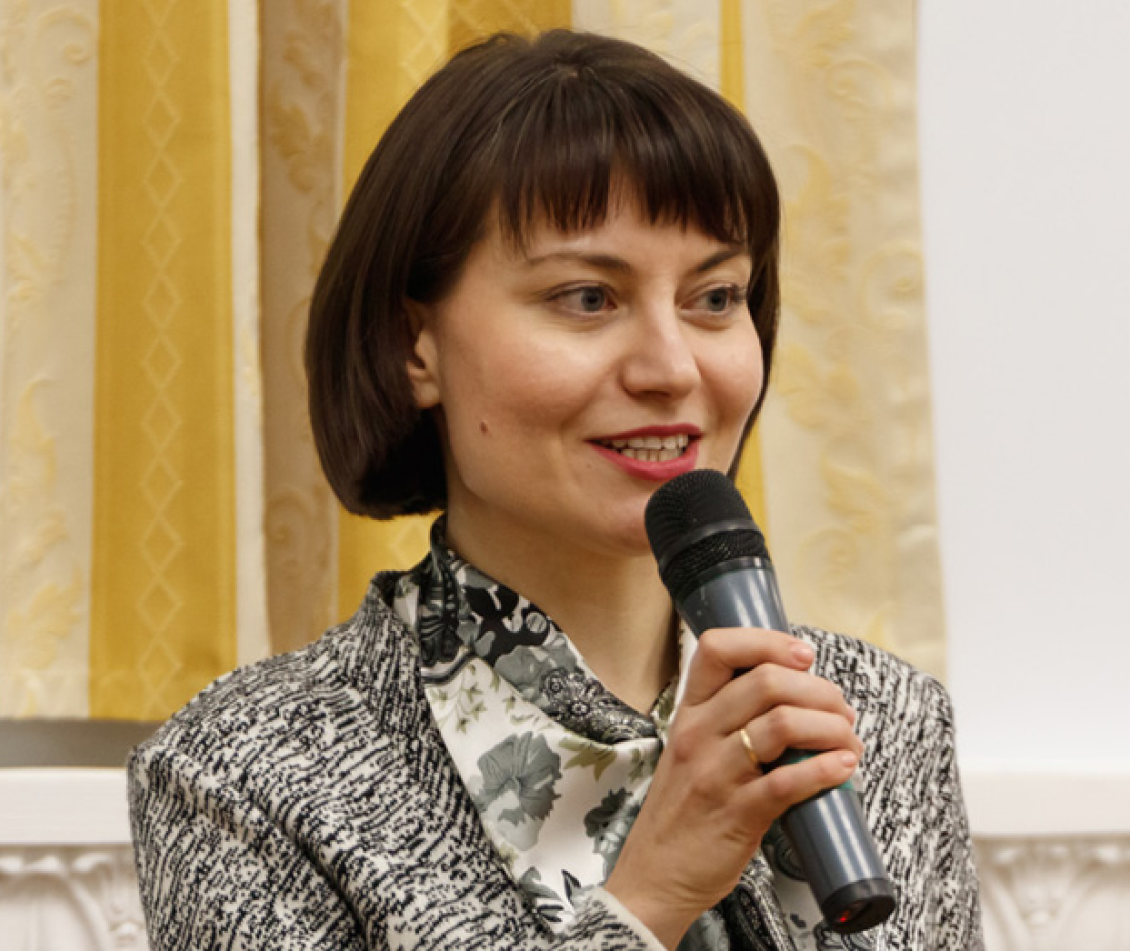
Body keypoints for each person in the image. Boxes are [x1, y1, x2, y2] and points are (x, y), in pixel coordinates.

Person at [129, 29, 982, 950]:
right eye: (588, 297)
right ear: (416, 345)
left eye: (714, 298)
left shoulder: (886, 718)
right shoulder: (244, 773)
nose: (671, 367)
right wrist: (648, 898)